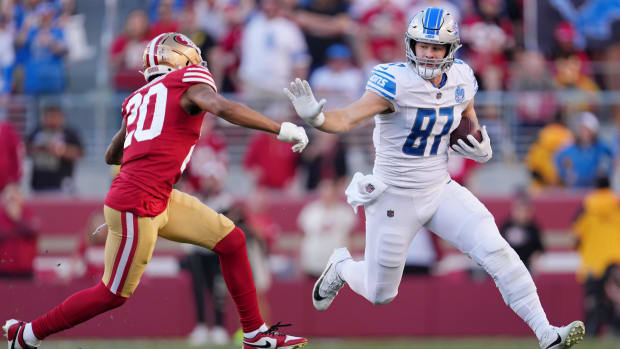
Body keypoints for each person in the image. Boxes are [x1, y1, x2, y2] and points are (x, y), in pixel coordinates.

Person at [284, 7, 584, 349]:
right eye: (421, 45)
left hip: (439, 189)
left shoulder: (462, 78)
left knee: (497, 250)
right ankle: (341, 266)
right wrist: (318, 118)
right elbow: (348, 118)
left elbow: (467, 121)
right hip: (394, 195)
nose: (427, 53)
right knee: (381, 293)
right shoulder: (393, 81)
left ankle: (546, 333)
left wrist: (480, 146)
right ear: (410, 44)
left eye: (435, 47)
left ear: (450, 49)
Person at [3, 32, 309, 349]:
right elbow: (220, 106)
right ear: (179, 59)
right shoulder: (188, 80)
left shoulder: (137, 99)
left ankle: (255, 334)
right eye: (193, 56)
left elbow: (111, 154)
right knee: (112, 294)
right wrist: (279, 128)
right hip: (137, 203)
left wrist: (147, 145)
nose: (199, 62)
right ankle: (27, 334)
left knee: (232, 241)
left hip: (157, 195)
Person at [573, 176, 620, 336]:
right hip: (615, 260)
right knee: (615, 298)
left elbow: (576, 235)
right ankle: (615, 331)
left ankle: (591, 333)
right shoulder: (616, 205)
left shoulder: (586, 208)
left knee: (592, 300)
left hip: (592, 262)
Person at [27, 105, 83, 193]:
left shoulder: (69, 133)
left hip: (62, 184)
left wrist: (63, 150)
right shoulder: (37, 131)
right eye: (49, 117)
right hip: (38, 184)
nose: (51, 120)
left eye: (54, 117)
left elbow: (79, 153)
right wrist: (40, 148)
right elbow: (26, 149)